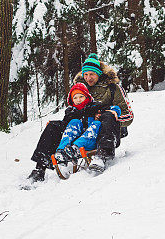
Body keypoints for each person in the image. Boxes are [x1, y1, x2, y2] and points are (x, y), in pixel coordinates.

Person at [28, 53, 133, 182]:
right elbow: (73, 112)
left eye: (92, 74)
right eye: (86, 74)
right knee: (54, 126)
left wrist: (114, 115)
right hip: (82, 126)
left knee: (107, 115)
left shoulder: (113, 88)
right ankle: (40, 168)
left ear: (99, 73)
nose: (88, 78)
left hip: (106, 129)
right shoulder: (79, 89)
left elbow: (128, 116)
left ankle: (102, 155)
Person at [52, 82, 120, 163]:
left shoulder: (95, 106)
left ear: (86, 96)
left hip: (93, 140)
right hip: (75, 142)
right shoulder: (71, 112)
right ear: (72, 100)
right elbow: (66, 127)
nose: (78, 100)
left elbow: (115, 107)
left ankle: (76, 148)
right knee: (74, 122)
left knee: (97, 123)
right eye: (75, 98)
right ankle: (62, 150)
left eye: (81, 96)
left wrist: (114, 111)